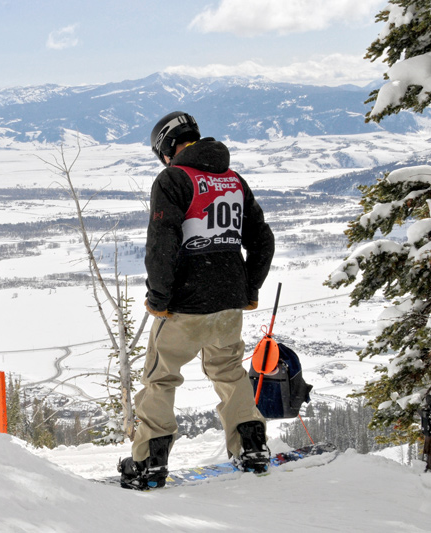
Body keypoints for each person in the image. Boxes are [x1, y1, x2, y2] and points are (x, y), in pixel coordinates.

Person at [119, 112, 275, 490]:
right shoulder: (233, 180)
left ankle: (148, 462)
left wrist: (159, 298)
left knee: (160, 378)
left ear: (168, 147)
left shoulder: (173, 179)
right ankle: (251, 446)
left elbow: (162, 245)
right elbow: (263, 240)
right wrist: (249, 289)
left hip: (185, 303)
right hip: (228, 303)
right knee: (229, 371)